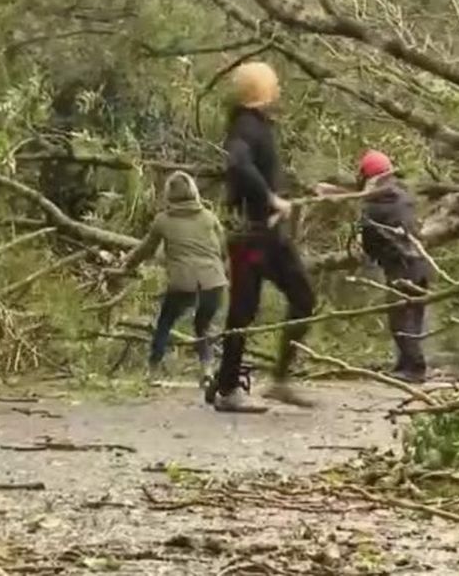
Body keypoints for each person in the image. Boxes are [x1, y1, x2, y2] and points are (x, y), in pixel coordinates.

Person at [211, 61, 318, 413]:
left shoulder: (258, 126)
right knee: (243, 309)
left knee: (303, 296)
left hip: (268, 236)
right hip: (249, 237)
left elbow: (263, 170)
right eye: (274, 83)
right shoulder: (244, 126)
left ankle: (280, 380)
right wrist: (270, 199)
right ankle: (227, 389)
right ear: (261, 89)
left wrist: (301, 190)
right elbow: (240, 166)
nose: (278, 89)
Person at [319, 150, 434, 383]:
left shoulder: (375, 208)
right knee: (414, 318)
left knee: (400, 319)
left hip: (402, 268)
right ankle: (405, 364)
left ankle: (415, 369)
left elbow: (369, 241)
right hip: (421, 264)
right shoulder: (400, 194)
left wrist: (365, 248)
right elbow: (367, 197)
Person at [113, 171, 226, 384]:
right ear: (193, 191)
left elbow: (145, 250)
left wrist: (126, 265)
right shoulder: (209, 217)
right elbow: (223, 248)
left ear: (169, 195)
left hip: (183, 282)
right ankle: (207, 370)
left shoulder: (163, 221)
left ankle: (153, 370)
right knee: (203, 325)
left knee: (165, 322)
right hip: (214, 281)